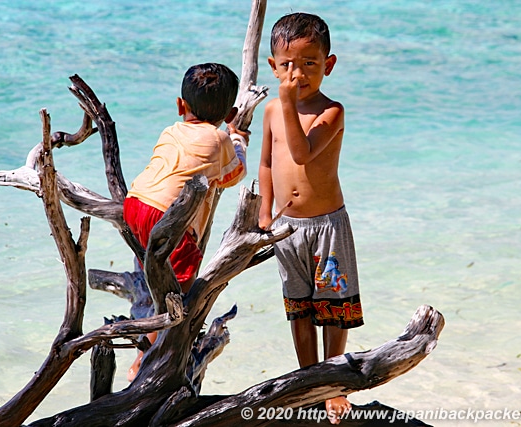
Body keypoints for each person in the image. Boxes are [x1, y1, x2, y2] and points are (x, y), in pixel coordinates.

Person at [258, 13, 363, 424]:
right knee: (299, 308)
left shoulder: (331, 112)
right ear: (272, 66)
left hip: (326, 226)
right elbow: (266, 163)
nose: (296, 74)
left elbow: (301, 153)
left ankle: (334, 384)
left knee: (333, 307)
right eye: (286, 65)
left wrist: (287, 102)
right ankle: (307, 381)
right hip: (288, 228)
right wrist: (265, 211)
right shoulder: (270, 112)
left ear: (328, 65)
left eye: (309, 64)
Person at [124, 62, 249, 382]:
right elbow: (234, 175)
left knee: (153, 268)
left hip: (135, 203)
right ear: (231, 113)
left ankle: (146, 328)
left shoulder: (169, 130)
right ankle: (144, 356)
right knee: (176, 292)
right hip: (170, 216)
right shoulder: (220, 139)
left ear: (181, 105)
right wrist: (238, 141)